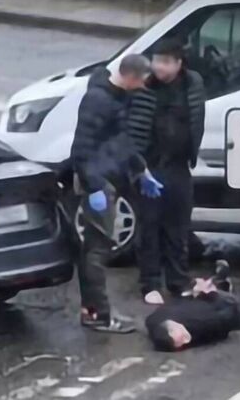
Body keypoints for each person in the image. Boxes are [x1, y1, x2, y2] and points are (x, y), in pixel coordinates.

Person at [70, 55, 162, 333]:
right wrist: (95, 186)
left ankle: (93, 310)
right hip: (100, 184)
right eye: (142, 81)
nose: (143, 86)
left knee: (96, 248)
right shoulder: (99, 101)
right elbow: (81, 150)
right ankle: (99, 314)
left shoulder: (118, 97)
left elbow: (121, 142)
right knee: (97, 250)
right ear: (131, 77)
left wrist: (141, 170)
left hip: (107, 179)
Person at [127, 38, 207, 305]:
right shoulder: (143, 87)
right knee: (149, 227)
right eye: (156, 61)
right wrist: (138, 167)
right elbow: (131, 127)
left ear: (178, 63)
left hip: (179, 166)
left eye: (165, 62)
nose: (159, 67)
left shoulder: (192, 84)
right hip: (150, 167)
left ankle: (178, 281)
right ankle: (150, 283)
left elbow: (197, 118)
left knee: (178, 227)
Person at [145, 260, 240, 351]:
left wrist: (197, 292)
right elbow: (226, 319)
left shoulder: (156, 320)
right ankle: (222, 286)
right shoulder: (203, 325)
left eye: (182, 337)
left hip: (196, 302)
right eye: (183, 342)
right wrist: (211, 294)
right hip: (220, 308)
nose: (185, 341)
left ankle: (219, 284)